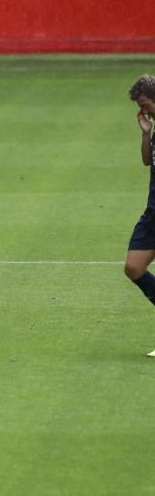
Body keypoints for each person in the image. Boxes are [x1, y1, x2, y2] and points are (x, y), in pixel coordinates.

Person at [125, 74, 155, 357]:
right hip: (153, 211)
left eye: (144, 104)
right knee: (134, 267)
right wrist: (145, 133)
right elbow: (148, 161)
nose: (142, 109)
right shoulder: (154, 126)